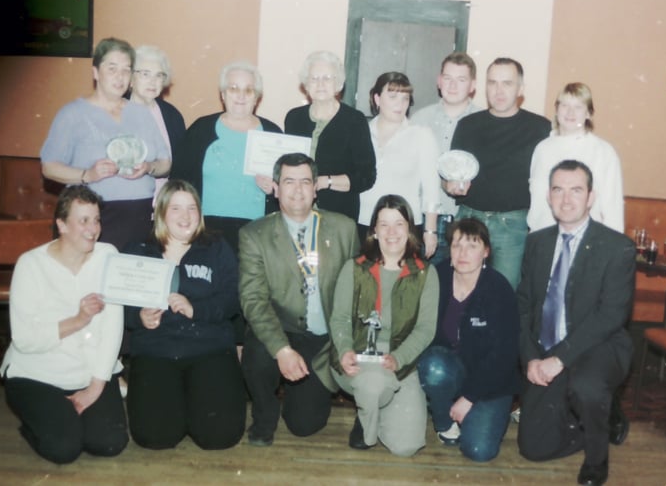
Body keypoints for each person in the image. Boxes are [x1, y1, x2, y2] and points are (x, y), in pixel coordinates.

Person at [516, 160, 634, 486]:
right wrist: (531, 359)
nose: (566, 199)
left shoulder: (617, 247)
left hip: (598, 345)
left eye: (576, 190)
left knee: (587, 387)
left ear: (591, 196)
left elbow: (611, 316)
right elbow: (523, 307)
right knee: (533, 449)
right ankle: (597, 414)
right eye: (558, 190)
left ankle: (597, 456)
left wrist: (559, 359)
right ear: (548, 195)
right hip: (548, 345)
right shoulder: (536, 243)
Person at [0, 185, 127, 464]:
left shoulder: (108, 256)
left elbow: (112, 332)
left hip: (88, 373)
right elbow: (24, 340)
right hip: (36, 373)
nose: (93, 229)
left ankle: (64, 418)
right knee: (64, 449)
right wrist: (79, 320)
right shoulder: (30, 264)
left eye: (96, 220)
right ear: (61, 225)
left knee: (109, 443)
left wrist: (94, 389)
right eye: (83, 220)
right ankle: (38, 424)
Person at [239, 153, 360, 446]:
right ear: (276, 188)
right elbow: (253, 300)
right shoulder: (254, 234)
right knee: (256, 353)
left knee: (305, 425)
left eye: (305, 181)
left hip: (323, 339)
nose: (297, 190)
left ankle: (300, 394)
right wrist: (282, 350)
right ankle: (265, 415)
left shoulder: (344, 228)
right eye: (288, 182)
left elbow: (357, 291)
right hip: (280, 330)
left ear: (315, 188)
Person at [123, 179, 246, 450]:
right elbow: (120, 307)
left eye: (192, 208)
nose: (186, 216)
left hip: (209, 347)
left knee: (221, 437)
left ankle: (195, 405)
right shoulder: (138, 251)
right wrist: (138, 317)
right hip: (157, 349)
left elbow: (232, 300)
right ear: (161, 212)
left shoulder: (216, 247)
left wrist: (196, 309)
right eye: (176, 208)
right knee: (154, 438)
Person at [329, 194, 439, 457]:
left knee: (407, 447)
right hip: (357, 353)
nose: (391, 232)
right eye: (384, 224)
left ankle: (374, 407)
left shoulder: (425, 273)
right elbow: (340, 319)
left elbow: (425, 329)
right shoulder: (353, 269)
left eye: (399, 223)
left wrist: (399, 359)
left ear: (410, 229)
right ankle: (367, 423)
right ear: (374, 231)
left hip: (399, 357)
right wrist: (344, 349)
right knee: (373, 385)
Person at [40, 37, 171, 252]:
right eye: (112, 69)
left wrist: (148, 167)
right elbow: (49, 167)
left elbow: (165, 163)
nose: (120, 77)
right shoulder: (72, 114)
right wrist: (87, 175)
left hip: (138, 215)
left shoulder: (142, 113)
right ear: (95, 72)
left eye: (126, 70)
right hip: (92, 216)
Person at [417, 218, 519, 462]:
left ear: (485, 252)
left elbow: (503, 357)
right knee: (433, 365)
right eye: (456, 245)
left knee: (478, 451)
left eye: (472, 246)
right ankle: (443, 423)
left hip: (491, 383)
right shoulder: (438, 277)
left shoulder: (498, 289)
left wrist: (469, 398)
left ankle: (483, 413)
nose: (462, 253)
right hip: (449, 369)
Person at [446, 57, 551, 290]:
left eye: (507, 83)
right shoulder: (468, 125)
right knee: (462, 291)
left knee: (503, 294)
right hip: (469, 220)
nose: (499, 90)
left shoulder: (540, 128)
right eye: (492, 83)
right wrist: (450, 185)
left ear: (520, 89)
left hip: (512, 227)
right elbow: (449, 176)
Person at [170, 60, 283, 253]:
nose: (240, 96)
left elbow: (287, 188)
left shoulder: (273, 134)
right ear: (223, 94)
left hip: (257, 234)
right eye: (233, 88)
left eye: (248, 90)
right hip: (205, 231)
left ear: (257, 97)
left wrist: (274, 189)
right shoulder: (200, 130)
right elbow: (178, 182)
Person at [284, 50, 376, 221]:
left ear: (338, 84)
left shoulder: (354, 121)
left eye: (327, 78)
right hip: (295, 212)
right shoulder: (294, 118)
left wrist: (326, 182)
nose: (320, 84)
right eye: (314, 78)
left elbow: (366, 177)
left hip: (337, 217)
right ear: (306, 84)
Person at [411, 52, 483, 265]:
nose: (452, 86)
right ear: (439, 80)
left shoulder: (484, 122)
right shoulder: (418, 120)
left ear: (472, 85)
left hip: (467, 221)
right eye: (448, 78)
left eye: (461, 80)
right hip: (424, 220)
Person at [358, 72, 439, 257]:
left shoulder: (421, 135)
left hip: (405, 227)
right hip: (364, 223)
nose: (400, 104)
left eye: (405, 98)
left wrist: (430, 231)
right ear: (377, 99)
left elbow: (431, 189)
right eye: (393, 97)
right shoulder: (360, 132)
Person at [527, 82, 624, 233]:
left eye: (578, 107)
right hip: (544, 240)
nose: (570, 113)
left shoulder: (604, 152)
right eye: (565, 105)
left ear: (588, 113)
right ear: (557, 109)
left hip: (588, 242)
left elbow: (613, 211)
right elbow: (537, 205)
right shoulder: (542, 149)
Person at [128, 45, 186, 200]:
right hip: (127, 200)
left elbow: (180, 166)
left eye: (159, 75)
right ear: (131, 78)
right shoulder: (116, 112)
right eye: (145, 74)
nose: (153, 82)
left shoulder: (172, 115)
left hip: (163, 205)